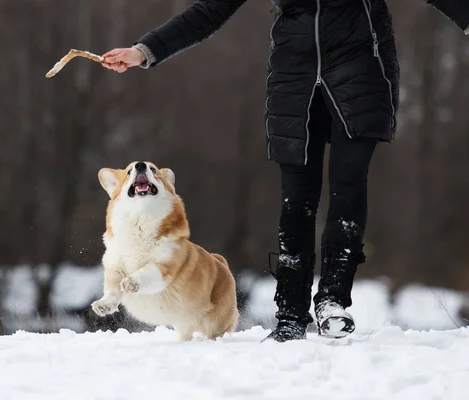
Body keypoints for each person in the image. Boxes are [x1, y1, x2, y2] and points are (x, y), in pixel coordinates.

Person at [101, 0, 469, 342]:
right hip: (294, 78)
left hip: (361, 71)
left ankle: (332, 301)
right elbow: (210, 10)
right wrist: (145, 51)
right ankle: (291, 314)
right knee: (297, 199)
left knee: (349, 183)